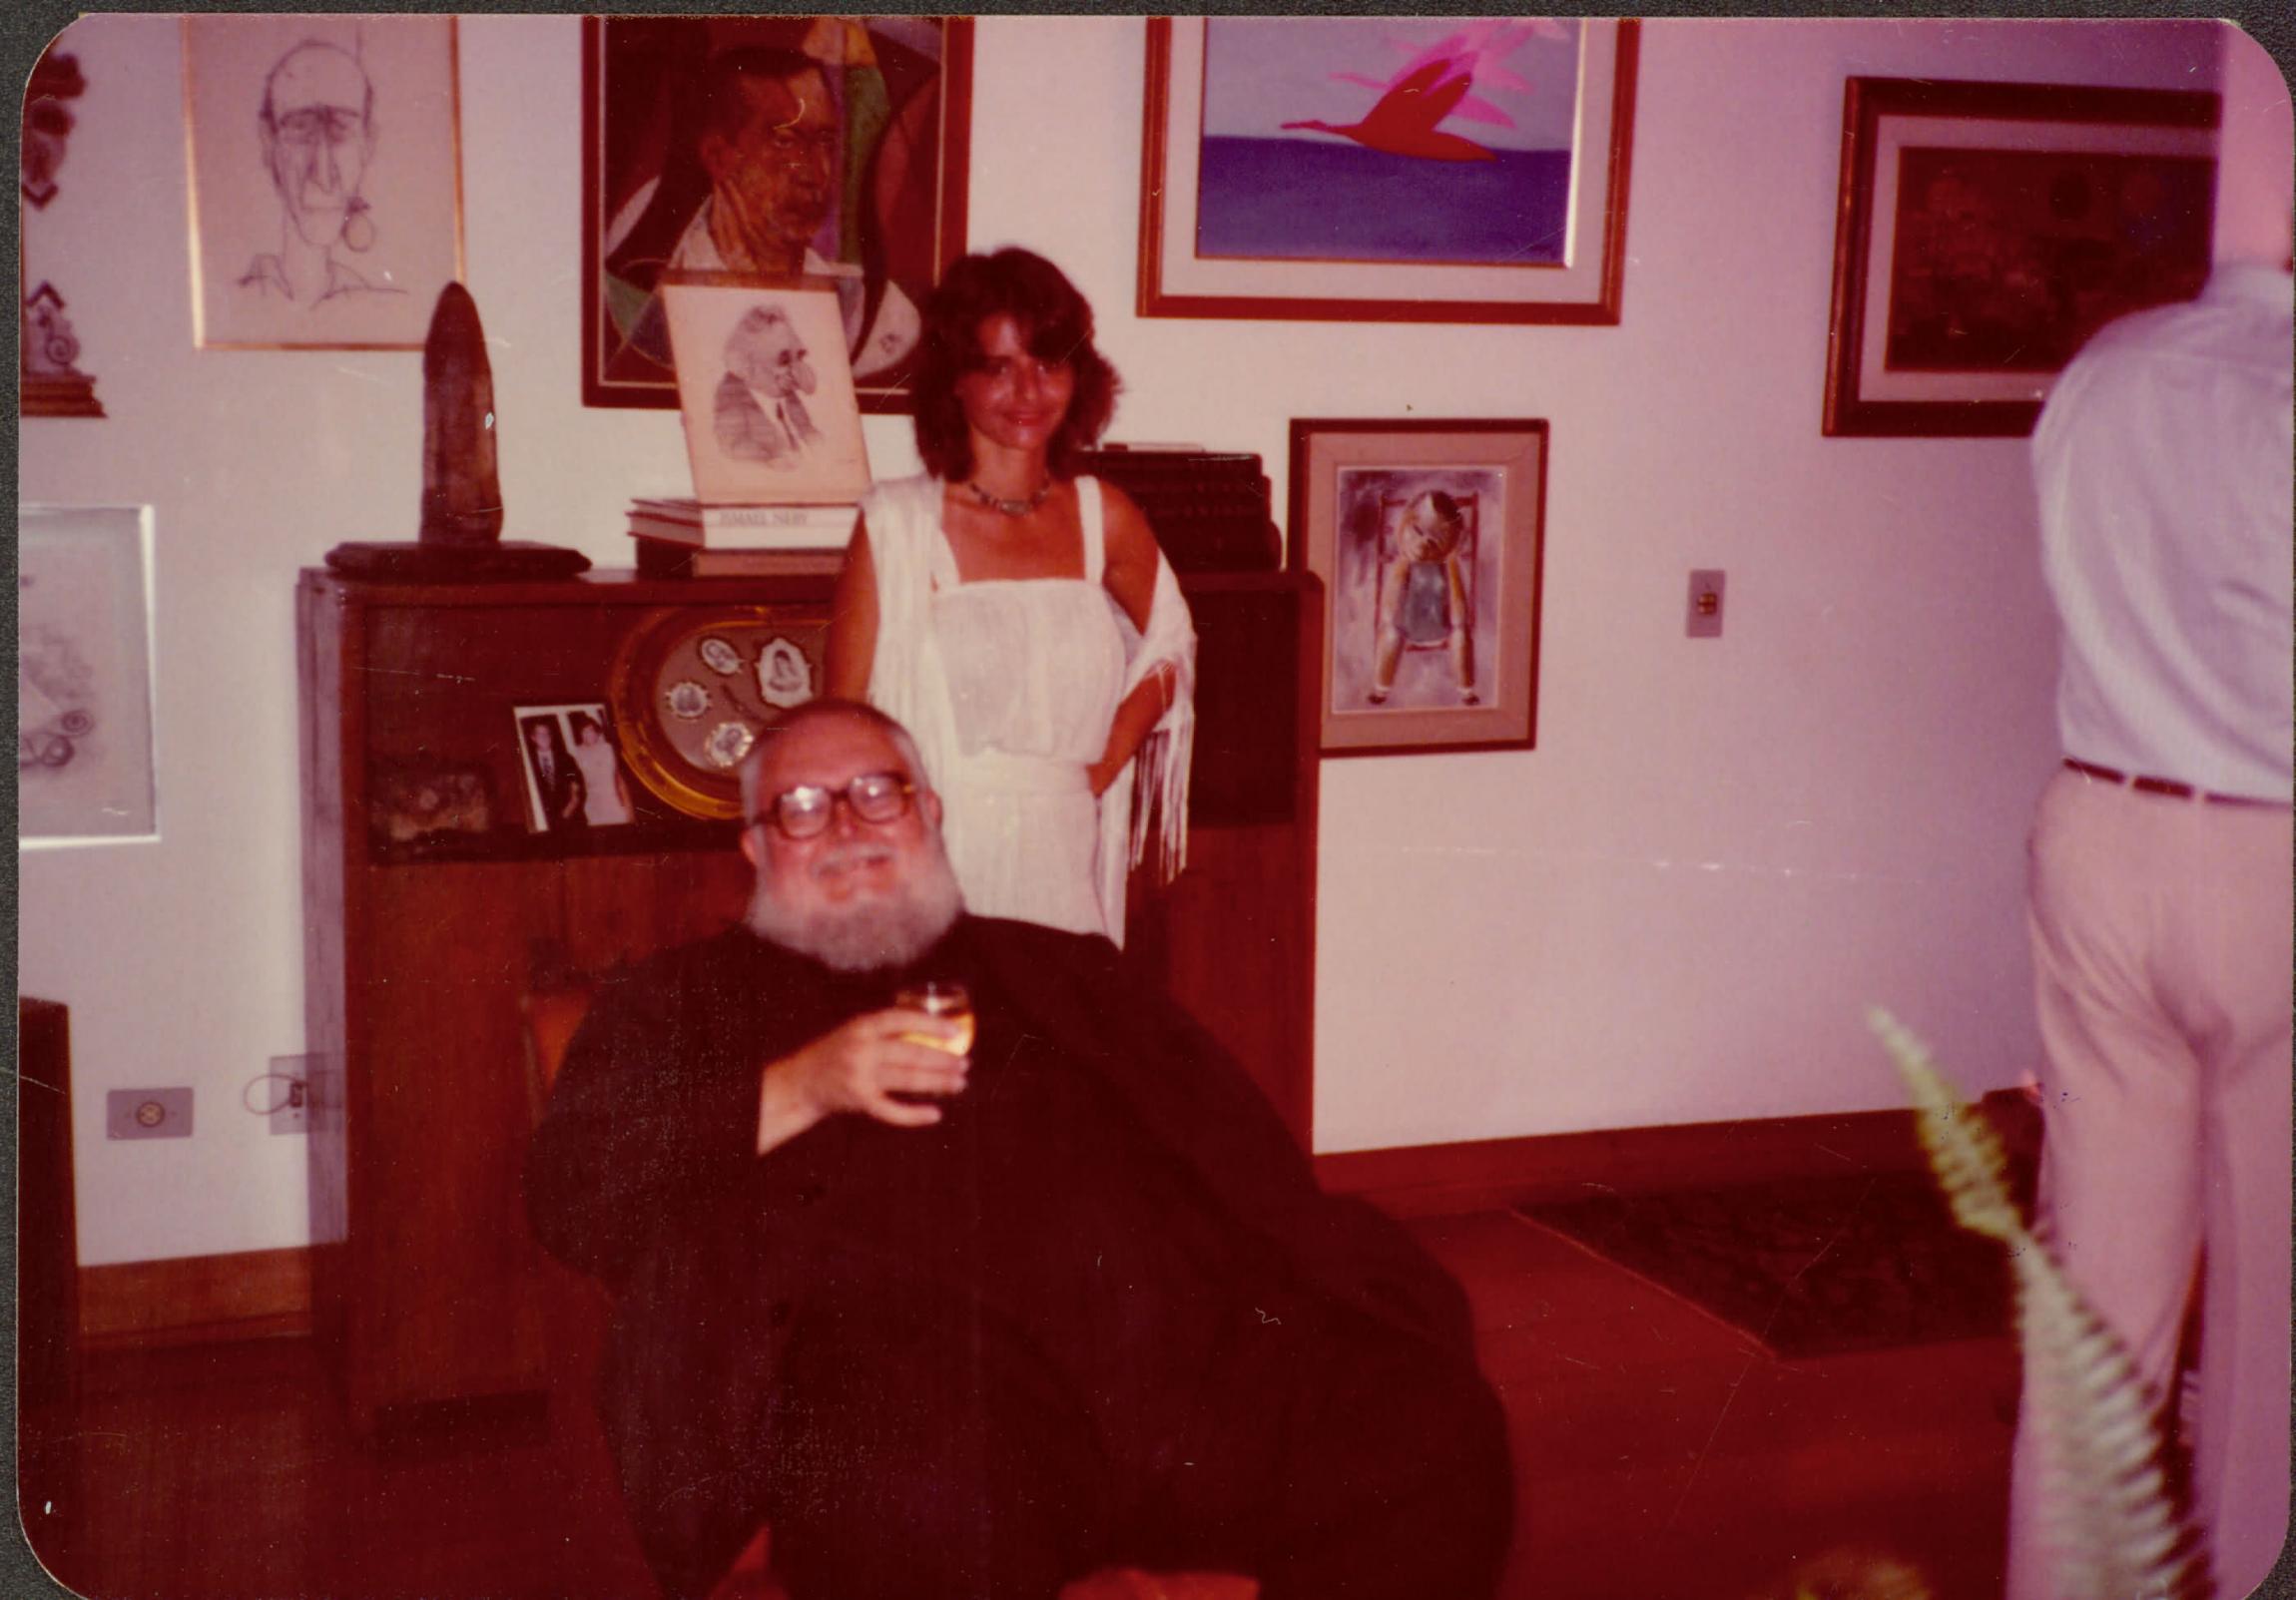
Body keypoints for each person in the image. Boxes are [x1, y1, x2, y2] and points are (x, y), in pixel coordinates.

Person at [524, 700, 1511, 1600]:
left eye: (877, 792)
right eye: (802, 808)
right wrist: (805, 1084)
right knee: (908, 1495)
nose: (848, 827)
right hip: (934, 1406)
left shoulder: (1058, 967)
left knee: (1428, 1422)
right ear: (752, 846)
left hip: (1184, 1370)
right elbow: (570, 1191)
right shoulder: (678, 1003)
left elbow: (1248, 1163)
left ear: (929, 813)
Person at [2004, 163, 2293, 1598]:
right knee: (2271, 1320)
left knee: (2095, 1303)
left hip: (2100, 828)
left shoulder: (2106, 370)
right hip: (2273, 858)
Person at [826, 248, 1194, 943]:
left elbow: (1173, 644)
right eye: (998, 367)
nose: (1028, 391)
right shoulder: (895, 525)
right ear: (955, 383)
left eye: (1048, 363)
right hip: (934, 853)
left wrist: (1104, 762)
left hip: (1062, 852)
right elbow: (838, 724)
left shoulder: (1104, 515)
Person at [602, 45, 918, 385]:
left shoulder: (874, 314)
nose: (816, 173)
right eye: (785, 142)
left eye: (825, 142)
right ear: (718, 158)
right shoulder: (647, 309)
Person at [239, 41, 402, 306]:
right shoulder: (239, 299)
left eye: (341, 131)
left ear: (368, 143)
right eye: (300, 130)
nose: (323, 176)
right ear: (268, 142)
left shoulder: (376, 304)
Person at [1370, 489, 1477, 707]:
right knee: (1390, 634)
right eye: (1417, 531)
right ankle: (1381, 689)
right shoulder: (1405, 565)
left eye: (1437, 538)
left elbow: (1460, 615)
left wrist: (1452, 562)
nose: (1425, 542)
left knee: (1461, 635)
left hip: (1443, 626)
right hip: (1405, 627)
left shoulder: (1448, 566)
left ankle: (1466, 690)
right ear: (1403, 529)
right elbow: (1388, 611)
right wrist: (1403, 560)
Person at [714, 302, 821, 466]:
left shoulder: (790, 399)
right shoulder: (730, 401)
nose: (797, 372)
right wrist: (770, 462)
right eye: (784, 360)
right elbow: (733, 450)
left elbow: (810, 434)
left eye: (799, 357)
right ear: (747, 364)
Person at [568, 712, 633, 826]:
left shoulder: (607, 749)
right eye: (584, 731)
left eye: (591, 730)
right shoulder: (577, 752)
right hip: (592, 802)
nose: (588, 734)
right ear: (580, 734)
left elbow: (618, 778)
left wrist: (628, 807)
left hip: (612, 800)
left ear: (597, 732)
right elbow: (577, 782)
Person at [522, 716, 586, 830]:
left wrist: (569, 809)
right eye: (540, 734)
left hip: (571, 818)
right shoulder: (528, 763)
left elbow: (577, 786)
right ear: (533, 738)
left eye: (547, 733)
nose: (544, 737)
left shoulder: (566, 759)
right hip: (545, 822)